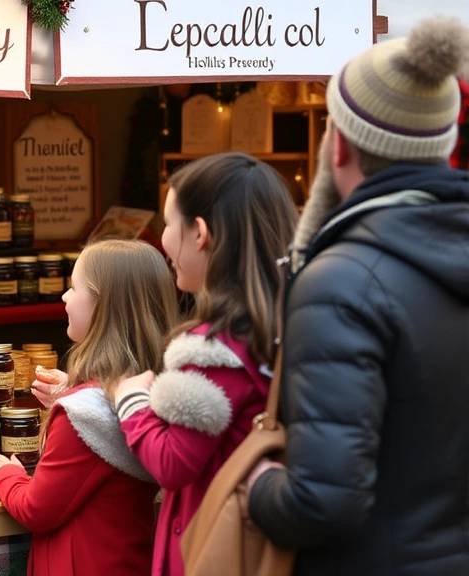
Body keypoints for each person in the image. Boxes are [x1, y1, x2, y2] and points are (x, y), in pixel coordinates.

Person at [246, 19, 469, 575]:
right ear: (442, 146)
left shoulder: (339, 283)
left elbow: (322, 503)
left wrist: (259, 487)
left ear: (337, 143)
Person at [110, 152, 298, 576]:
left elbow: (173, 462)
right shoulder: (287, 323)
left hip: (211, 548)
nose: (162, 242)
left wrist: (132, 399)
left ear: (200, 232)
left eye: (168, 225)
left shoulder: (213, 350)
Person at [0, 239, 178, 576]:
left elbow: (36, 510)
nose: (65, 298)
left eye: (74, 288)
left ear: (101, 305)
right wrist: (70, 391)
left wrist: (7, 477)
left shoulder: (81, 413)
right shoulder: (156, 391)